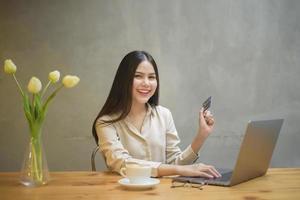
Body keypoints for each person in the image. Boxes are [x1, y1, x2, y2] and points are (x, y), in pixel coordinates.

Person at [92, 50, 221, 178]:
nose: (146, 83)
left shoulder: (164, 115)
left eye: (152, 77)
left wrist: (201, 135)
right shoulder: (105, 122)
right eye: (138, 76)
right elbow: (122, 163)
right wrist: (179, 169)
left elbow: (175, 164)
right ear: (123, 80)